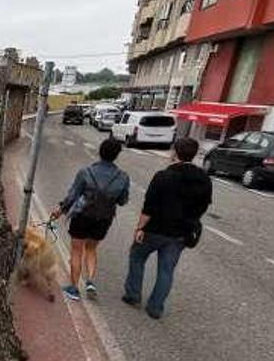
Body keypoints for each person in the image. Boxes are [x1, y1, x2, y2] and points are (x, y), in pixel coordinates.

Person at [123, 137, 212, 319]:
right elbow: (203, 206)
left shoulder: (163, 176)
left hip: (155, 229)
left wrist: (139, 228)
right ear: (194, 155)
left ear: (175, 153)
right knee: (166, 270)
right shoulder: (204, 180)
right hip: (181, 233)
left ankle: (133, 294)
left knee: (137, 256)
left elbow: (149, 207)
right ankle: (155, 307)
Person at [51, 138, 130, 301]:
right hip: (104, 218)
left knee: (76, 250)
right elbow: (122, 201)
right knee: (92, 249)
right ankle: (91, 282)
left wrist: (61, 209)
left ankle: (73, 289)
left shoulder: (86, 172)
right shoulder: (123, 177)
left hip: (82, 216)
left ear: (100, 152)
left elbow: (72, 196)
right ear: (116, 156)